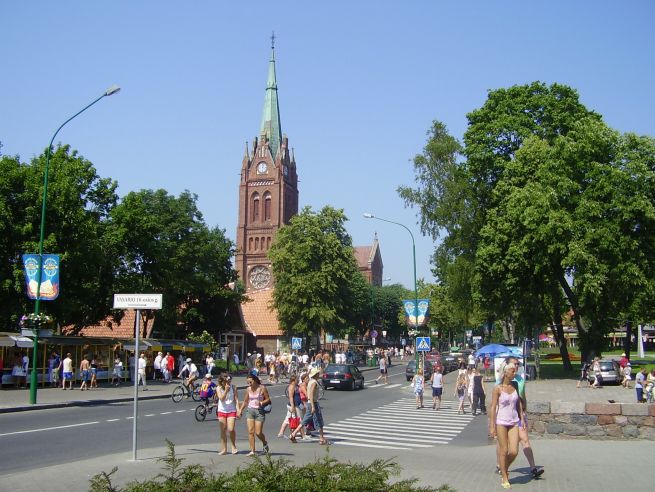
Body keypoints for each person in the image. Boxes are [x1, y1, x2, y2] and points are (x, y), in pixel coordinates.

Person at [496, 356, 544, 480]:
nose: (516, 366)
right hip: (505, 417)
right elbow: (498, 401)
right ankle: (501, 465)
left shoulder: (520, 380)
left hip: (519, 414)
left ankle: (533, 468)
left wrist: (524, 410)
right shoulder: (500, 381)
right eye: (514, 364)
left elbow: (522, 396)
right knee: (504, 444)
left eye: (518, 364)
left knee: (525, 439)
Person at [489, 363, 525, 489]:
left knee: (514, 451)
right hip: (501, 422)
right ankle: (505, 477)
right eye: (512, 371)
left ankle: (503, 468)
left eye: (515, 371)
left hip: (514, 421)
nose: (515, 373)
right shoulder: (497, 388)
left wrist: (522, 418)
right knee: (504, 451)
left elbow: (518, 403)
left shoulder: (515, 385)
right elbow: (493, 407)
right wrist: (492, 426)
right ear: (505, 373)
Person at [290, 367, 328, 445]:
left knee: (305, 420)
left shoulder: (311, 381)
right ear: (316, 374)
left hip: (310, 403)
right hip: (313, 403)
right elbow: (311, 394)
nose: (319, 374)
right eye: (318, 373)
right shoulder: (314, 382)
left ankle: (293, 434)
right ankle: (321, 438)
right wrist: (313, 406)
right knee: (319, 421)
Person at [238, 374, 271, 456]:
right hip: (250, 410)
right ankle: (252, 451)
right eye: (248, 382)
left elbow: (268, 399)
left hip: (259, 411)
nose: (249, 384)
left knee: (258, 432)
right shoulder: (248, 389)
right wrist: (240, 410)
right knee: (250, 431)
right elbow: (245, 401)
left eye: (250, 382)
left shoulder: (262, 388)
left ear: (255, 380)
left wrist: (261, 402)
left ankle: (265, 443)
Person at [216, 374, 239, 455]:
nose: (228, 383)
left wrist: (238, 410)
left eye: (229, 381)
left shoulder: (233, 387)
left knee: (231, 429)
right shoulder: (218, 388)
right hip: (221, 410)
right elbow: (221, 399)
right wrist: (225, 391)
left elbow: (236, 399)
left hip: (231, 410)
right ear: (222, 382)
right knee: (223, 430)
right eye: (226, 381)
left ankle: (233, 446)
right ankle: (224, 449)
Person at [277, 374, 305, 441]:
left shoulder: (296, 386)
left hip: (296, 405)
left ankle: (281, 433)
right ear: (294, 380)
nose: (298, 380)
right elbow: (291, 397)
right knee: (297, 420)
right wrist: (293, 406)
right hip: (294, 405)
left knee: (287, 419)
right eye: (297, 379)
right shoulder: (292, 386)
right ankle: (299, 435)